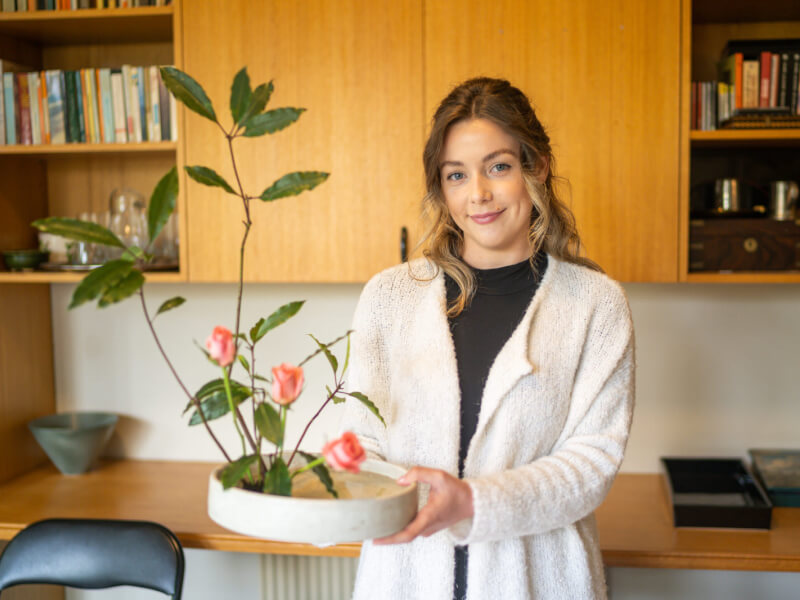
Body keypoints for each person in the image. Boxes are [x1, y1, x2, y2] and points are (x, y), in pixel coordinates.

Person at [340, 77, 635, 600]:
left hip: (539, 582)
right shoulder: (388, 298)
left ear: (536, 167)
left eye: (498, 166)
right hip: (402, 579)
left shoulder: (595, 304)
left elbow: (591, 466)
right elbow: (359, 444)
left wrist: (473, 502)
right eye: (457, 175)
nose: (477, 194)